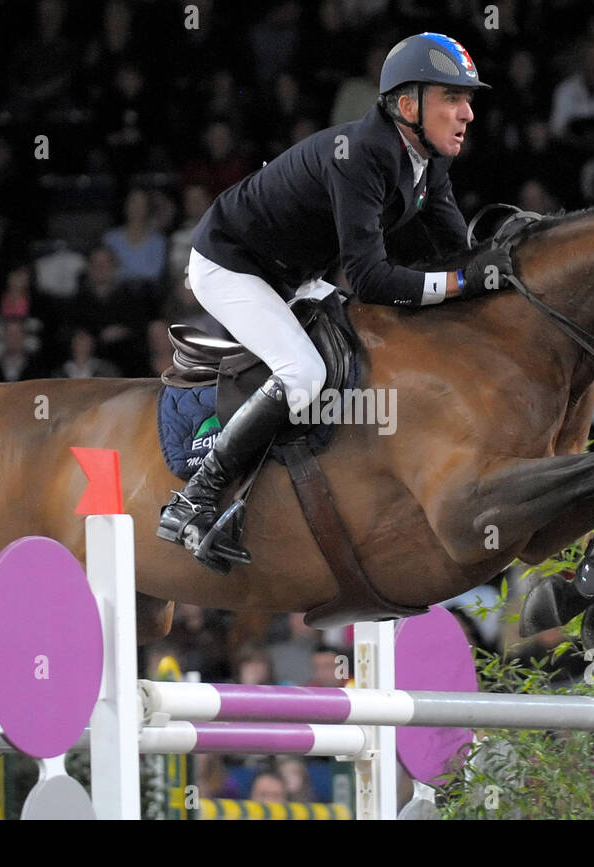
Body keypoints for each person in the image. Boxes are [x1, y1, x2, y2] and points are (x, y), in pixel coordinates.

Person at [158, 33, 511, 570]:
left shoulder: (428, 162)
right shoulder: (362, 156)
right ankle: (194, 500)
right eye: (451, 98)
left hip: (293, 272)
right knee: (303, 374)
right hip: (230, 263)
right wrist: (464, 283)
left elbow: (458, 249)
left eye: (468, 100)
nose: (466, 112)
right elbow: (370, 277)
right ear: (408, 105)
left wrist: (503, 268)